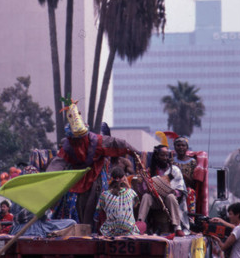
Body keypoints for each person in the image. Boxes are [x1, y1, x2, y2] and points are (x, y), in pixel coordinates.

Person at [46, 98, 137, 226]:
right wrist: (46, 182)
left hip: (96, 178)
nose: (78, 142)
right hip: (75, 180)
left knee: (95, 206)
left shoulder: (98, 141)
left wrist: (135, 152)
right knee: (72, 206)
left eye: (81, 138)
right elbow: (55, 166)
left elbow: (119, 144)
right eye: (75, 139)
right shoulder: (67, 148)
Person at [137, 144, 188, 236]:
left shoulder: (174, 170)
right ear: (156, 156)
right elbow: (143, 191)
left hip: (168, 200)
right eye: (162, 155)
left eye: (166, 155)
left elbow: (180, 188)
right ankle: (140, 224)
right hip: (155, 200)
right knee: (146, 196)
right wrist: (141, 183)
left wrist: (172, 191)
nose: (165, 158)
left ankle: (177, 227)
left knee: (171, 197)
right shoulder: (149, 171)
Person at [96, 166, 140, 237]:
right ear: (123, 178)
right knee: (142, 225)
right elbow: (135, 205)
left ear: (112, 178)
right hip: (128, 231)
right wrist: (128, 185)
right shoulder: (131, 192)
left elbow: (99, 209)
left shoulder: (104, 194)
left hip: (110, 231)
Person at [173, 136, 197, 214]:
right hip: (174, 188)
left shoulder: (192, 162)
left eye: (183, 145)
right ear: (175, 147)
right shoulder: (171, 161)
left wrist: (183, 175)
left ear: (187, 147)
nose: (181, 147)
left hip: (187, 189)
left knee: (190, 192)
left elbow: (194, 182)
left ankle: (191, 217)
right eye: (178, 145)